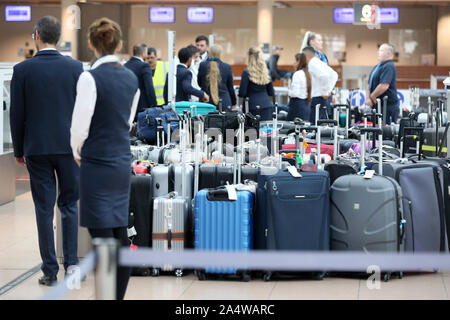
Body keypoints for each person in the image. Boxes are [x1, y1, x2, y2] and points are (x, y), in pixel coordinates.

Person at [10, 16, 82, 287]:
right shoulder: (75, 68)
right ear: (59, 37)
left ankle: (49, 270)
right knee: (69, 205)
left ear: (37, 35)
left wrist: (19, 149)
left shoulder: (23, 70)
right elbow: (83, 109)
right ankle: (72, 265)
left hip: (37, 148)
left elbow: (17, 114)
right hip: (68, 148)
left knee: (43, 208)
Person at [70, 17, 140, 300]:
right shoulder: (131, 78)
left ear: (90, 44)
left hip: (96, 163)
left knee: (101, 237)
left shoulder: (89, 78)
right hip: (121, 161)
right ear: (120, 44)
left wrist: (77, 152)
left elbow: (79, 128)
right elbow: (128, 120)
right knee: (118, 232)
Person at [302, 46, 338, 123]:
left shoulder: (312, 63)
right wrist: (328, 90)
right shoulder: (318, 62)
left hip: (318, 99)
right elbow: (334, 75)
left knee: (316, 126)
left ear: (306, 55)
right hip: (321, 99)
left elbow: (324, 76)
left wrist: (325, 92)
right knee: (321, 125)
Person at [238, 47, 275, 121]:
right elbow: (271, 92)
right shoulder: (266, 72)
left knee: (252, 131)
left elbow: (242, 93)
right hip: (266, 105)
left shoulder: (246, 73)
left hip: (251, 106)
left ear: (250, 58)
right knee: (266, 131)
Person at [366, 43, 399, 124]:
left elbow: (384, 85)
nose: (378, 52)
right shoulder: (378, 66)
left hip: (387, 107)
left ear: (388, 53)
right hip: (377, 105)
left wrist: (372, 96)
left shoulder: (389, 66)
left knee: (385, 133)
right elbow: (369, 83)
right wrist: (368, 98)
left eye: (381, 50)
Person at [197, 44, 236, 110]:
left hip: (206, 102)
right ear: (220, 54)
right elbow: (230, 87)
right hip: (224, 102)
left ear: (209, 53)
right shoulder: (226, 67)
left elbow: (200, 83)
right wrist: (233, 102)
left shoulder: (203, 65)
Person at [124, 44, 157, 116]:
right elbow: (149, 88)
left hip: (128, 106)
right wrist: (154, 106)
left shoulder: (125, 66)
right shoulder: (144, 66)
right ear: (143, 53)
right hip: (142, 108)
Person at [287, 53, 311, 122]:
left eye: (295, 61)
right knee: (304, 130)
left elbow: (295, 93)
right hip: (306, 105)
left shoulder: (297, 74)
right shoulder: (309, 73)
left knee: (293, 130)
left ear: (299, 62)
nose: (293, 63)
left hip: (297, 106)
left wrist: (289, 92)